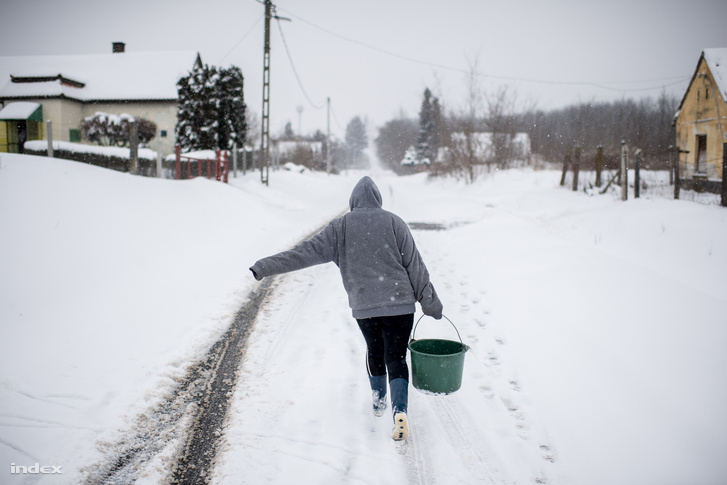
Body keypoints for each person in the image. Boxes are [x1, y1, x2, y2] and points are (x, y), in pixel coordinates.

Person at [249, 176, 443, 441]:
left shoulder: (340, 227)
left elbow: (303, 253)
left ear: (353, 202)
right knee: (396, 356)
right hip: (400, 303)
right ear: (378, 199)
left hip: (366, 306)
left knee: (375, 350)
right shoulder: (394, 222)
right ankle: (400, 410)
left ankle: (378, 401)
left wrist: (265, 266)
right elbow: (415, 266)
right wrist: (430, 303)